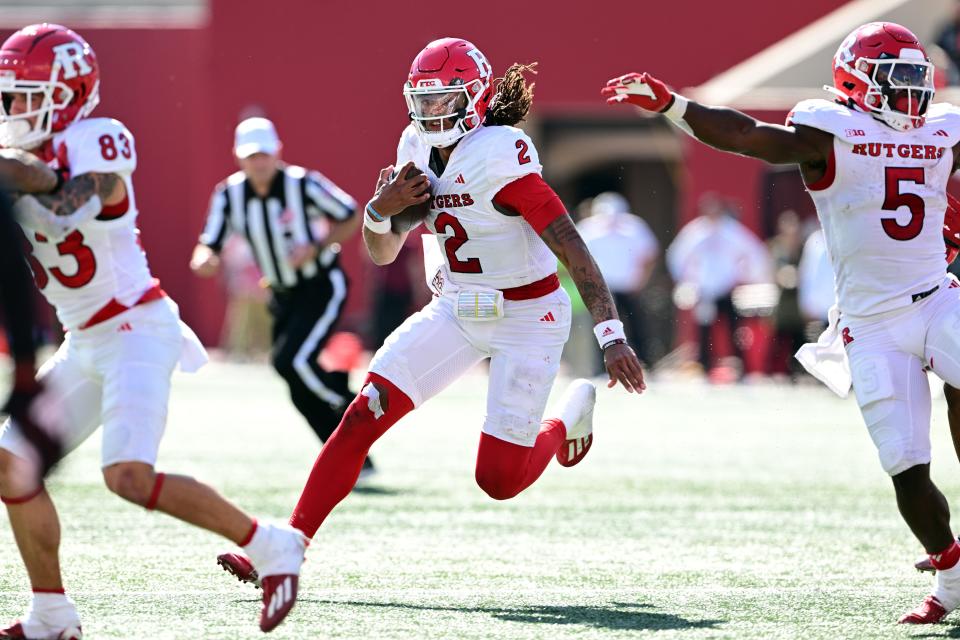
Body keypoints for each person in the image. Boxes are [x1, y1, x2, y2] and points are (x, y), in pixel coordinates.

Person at [217, 37, 645, 631]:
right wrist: (377, 210)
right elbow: (385, 250)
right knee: (362, 413)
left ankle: (566, 419)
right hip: (455, 310)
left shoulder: (500, 152)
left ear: (473, 98)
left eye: (445, 98)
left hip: (528, 315)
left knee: (498, 480)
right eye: (424, 99)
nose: (433, 111)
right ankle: (290, 543)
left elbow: (569, 243)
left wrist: (610, 333)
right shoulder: (415, 145)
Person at [605, 21, 960, 624]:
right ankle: (951, 576)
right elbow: (747, 135)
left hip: (937, 296)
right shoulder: (831, 130)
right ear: (854, 81)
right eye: (893, 79)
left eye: (913, 79)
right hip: (870, 324)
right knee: (904, 465)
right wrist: (674, 105)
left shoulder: (944, 125)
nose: (907, 94)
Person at [0, 24, 306, 637]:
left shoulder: (99, 137)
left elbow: (65, 201)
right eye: (8, 95)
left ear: (67, 92)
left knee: (128, 477)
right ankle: (52, 612)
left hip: (138, 327)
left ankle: (273, 543)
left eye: (25, 94)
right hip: (84, 338)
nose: (13, 108)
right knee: (10, 466)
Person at [190, 116, 364, 466]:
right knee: (293, 379)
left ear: (278, 152)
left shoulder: (304, 184)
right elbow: (209, 242)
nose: (259, 163)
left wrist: (315, 246)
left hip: (320, 286)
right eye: (252, 156)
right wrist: (203, 259)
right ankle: (348, 456)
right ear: (239, 157)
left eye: (264, 155)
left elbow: (350, 214)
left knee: (291, 361)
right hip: (282, 295)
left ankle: (355, 407)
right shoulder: (230, 194)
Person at [666, 193, 769, 376]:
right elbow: (677, 256)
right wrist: (687, 281)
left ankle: (741, 368)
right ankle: (705, 366)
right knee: (704, 331)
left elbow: (754, 253)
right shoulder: (696, 232)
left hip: (726, 289)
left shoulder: (731, 230)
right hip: (705, 291)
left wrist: (745, 276)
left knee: (734, 330)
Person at [577, 191, 659, 368]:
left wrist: (642, 280)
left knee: (636, 325)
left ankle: (643, 362)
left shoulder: (634, 227)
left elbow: (650, 255)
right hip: (603, 287)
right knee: (602, 327)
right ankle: (600, 366)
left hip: (628, 286)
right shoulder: (588, 228)